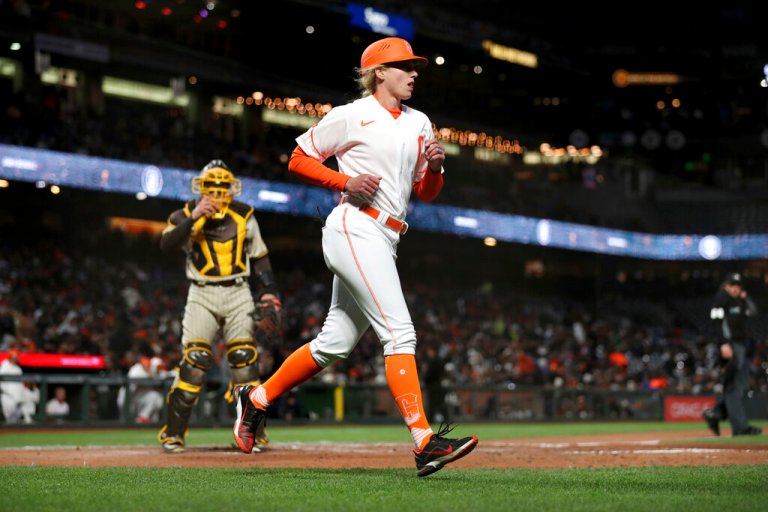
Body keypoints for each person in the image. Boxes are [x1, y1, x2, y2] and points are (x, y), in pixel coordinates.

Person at [232, 37, 478, 477]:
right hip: (355, 225)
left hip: (388, 236)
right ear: (379, 72)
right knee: (400, 334)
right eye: (405, 66)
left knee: (335, 344)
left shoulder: (420, 122)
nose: (414, 72)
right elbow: (298, 158)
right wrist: (340, 182)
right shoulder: (351, 115)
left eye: (415, 66)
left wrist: (437, 169)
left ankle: (256, 399)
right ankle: (424, 441)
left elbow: (425, 191)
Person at [157, 160, 282, 453]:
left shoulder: (245, 215)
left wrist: (269, 293)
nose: (216, 193)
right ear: (200, 189)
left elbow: (260, 256)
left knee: (244, 362)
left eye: (222, 187)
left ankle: (254, 433)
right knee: (195, 362)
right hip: (201, 292)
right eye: (210, 188)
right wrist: (194, 219)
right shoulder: (183, 214)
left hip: (238, 290)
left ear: (231, 189)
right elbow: (166, 244)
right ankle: (173, 434)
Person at [703, 272, 762, 436]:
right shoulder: (721, 299)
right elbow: (715, 324)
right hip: (730, 346)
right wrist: (723, 343)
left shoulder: (739, 300)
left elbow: (754, 311)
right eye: (733, 285)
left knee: (740, 386)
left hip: (743, 346)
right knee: (733, 387)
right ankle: (740, 427)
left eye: (738, 286)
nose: (736, 288)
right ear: (726, 286)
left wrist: (745, 297)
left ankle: (716, 413)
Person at [118, 355, 166, 424]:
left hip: (140, 398)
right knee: (125, 421)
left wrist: (152, 377)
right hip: (128, 397)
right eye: (158, 367)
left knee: (155, 397)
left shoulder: (156, 371)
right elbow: (131, 385)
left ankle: (143, 418)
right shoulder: (137, 369)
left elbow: (163, 376)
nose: (159, 369)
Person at [0, 349, 39, 424]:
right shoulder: (4, 366)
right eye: (17, 356)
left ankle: (14, 435)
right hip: (8, 397)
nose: (18, 358)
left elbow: (20, 384)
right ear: (12, 357)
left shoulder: (18, 369)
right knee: (10, 420)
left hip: (18, 397)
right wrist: (7, 392)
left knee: (16, 419)